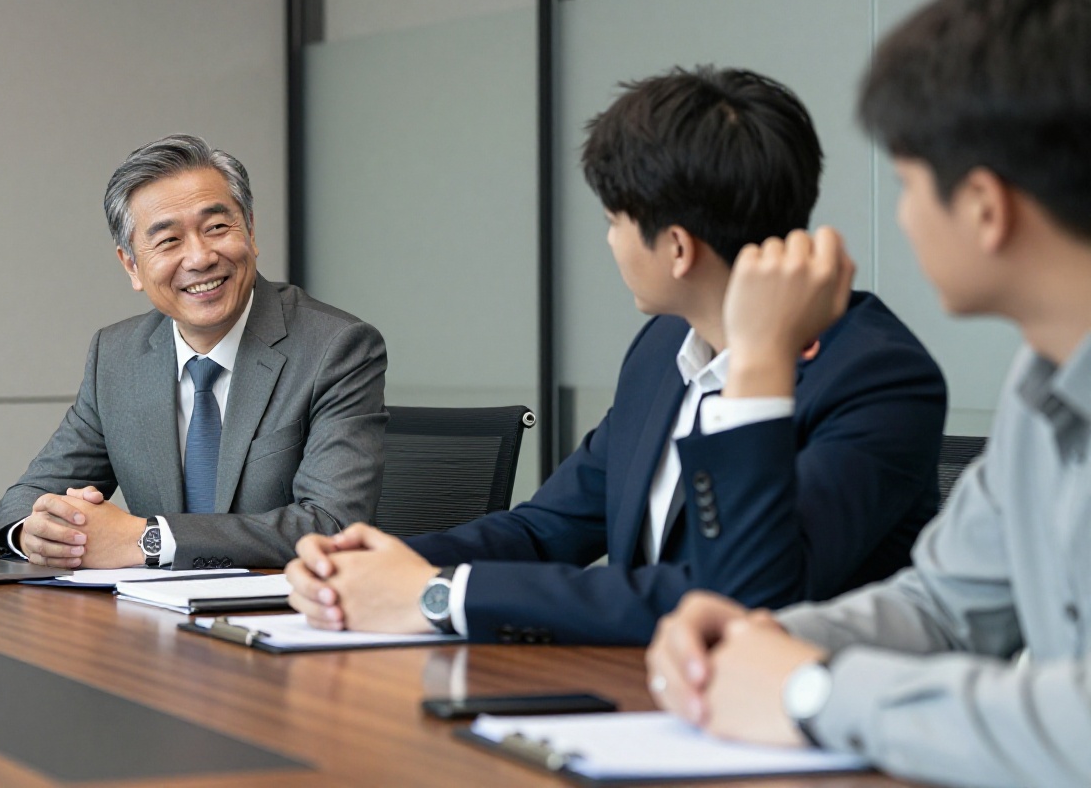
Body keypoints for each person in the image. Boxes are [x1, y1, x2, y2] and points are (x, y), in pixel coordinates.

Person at [286, 67, 947, 645]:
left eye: (613, 222)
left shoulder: (877, 377)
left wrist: (442, 595)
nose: (609, 243)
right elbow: (550, 529)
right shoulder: (664, 347)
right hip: (644, 694)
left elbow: (740, 595)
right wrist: (377, 561)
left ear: (678, 248)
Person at [646, 0, 1091, 787]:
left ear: (985, 208)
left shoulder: (889, 370)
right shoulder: (1042, 384)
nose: (901, 217)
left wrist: (813, 691)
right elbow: (942, 607)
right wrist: (763, 645)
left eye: (907, 186)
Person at [0, 134, 387, 570]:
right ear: (131, 265)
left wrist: (148, 539)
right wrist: (39, 532)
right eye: (169, 240)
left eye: (216, 228)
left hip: (282, 605)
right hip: (147, 610)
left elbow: (333, 524)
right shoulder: (117, 356)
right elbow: (26, 500)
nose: (199, 258)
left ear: (250, 231)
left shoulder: (336, 348)